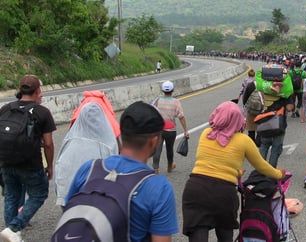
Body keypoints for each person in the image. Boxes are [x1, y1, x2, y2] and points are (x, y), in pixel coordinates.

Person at [65, 101, 179, 241]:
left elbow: (68, 213)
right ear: (154, 141)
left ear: (122, 133)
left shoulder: (88, 168)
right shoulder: (159, 187)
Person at [182, 101, 286, 242]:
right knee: (225, 233)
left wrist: (235, 173)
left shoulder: (206, 133)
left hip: (195, 188)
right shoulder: (244, 140)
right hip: (224, 192)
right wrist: (279, 174)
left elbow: (212, 164)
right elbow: (262, 166)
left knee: (197, 233)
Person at [0, 75, 56, 242]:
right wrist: (50, 166)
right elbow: (48, 144)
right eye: (41, 90)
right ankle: (14, 229)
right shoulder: (42, 112)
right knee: (39, 194)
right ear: (37, 91)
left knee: (11, 196)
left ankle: (12, 234)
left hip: (6, 163)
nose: (42, 94)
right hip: (30, 164)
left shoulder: (6, 108)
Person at [54, 102, 119, 207]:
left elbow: (59, 167)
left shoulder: (70, 141)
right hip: (95, 201)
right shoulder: (108, 143)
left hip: (68, 197)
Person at [255, 64, 294, 168]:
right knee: (276, 148)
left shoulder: (263, 88)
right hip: (279, 123)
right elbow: (290, 108)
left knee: (264, 146)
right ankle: (271, 171)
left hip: (264, 121)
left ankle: (260, 171)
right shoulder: (286, 91)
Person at [152, 81, 189, 174]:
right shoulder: (176, 102)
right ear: (172, 90)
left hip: (159, 130)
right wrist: (185, 130)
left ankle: (155, 169)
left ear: (162, 90)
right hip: (171, 131)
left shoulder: (157, 101)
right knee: (169, 149)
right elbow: (181, 117)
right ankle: (169, 166)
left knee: (157, 149)